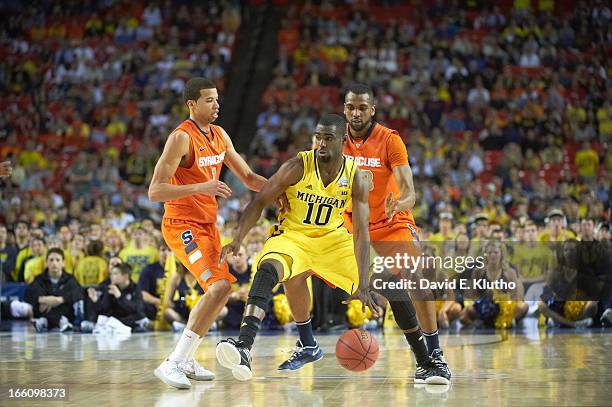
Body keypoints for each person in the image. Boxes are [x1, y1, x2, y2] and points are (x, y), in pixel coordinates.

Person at [216, 114, 446, 384]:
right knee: (267, 270)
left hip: (333, 240)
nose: (321, 143)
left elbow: (361, 232)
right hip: (293, 236)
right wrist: (238, 238)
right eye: (318, 137)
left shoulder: (356, 176)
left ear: (342, 141)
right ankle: (244, 347)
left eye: (328, 138)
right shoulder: (297, 166)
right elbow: (259, 201)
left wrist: (361, 282)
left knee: (390, 284)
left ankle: (425, 362)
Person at [148, 77, 267, 389]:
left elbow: (250, 177)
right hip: (182, 225)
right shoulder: (180, 138)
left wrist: (286, 191)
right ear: (192, 104)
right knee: (216, 288)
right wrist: (203, 186)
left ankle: (186, 358)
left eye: (217, 99)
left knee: (224, 288)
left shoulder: (219, 135)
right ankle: (173, 362)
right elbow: (155, 191)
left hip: (207, 225)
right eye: (209, 101)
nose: (217, 105)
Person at [340, 84, 450, 381]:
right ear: (345, 109)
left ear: (372, 110)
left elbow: (411, 193)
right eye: (352, 107)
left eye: (363, 107)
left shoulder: (390, 140)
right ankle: (302, 339)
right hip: (352, 224)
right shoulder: (333, 141)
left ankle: (435, 354)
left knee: (417, 280)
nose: (357, 112)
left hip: (391, 223)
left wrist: (398, 203)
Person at [25, 248, 83, 332]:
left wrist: (61, 299)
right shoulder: (39, 279)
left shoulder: (70, 279)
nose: (54, 263)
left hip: (65, 313)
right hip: (44, 313)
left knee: (70, 302)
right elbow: (30, 293)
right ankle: (50, 321)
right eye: (51, 260)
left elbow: (78, 293)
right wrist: (42, 299)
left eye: (57, 260)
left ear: (63, 263)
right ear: (46, 263)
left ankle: (54, 322)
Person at [88, 263, 150, 331]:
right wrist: (95, 301)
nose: (111, 276)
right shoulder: (111, 288)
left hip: (128, 319)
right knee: (104, 318)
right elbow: (104, 310)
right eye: (111, 274)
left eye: (115, 274)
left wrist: (120, 297)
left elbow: (137, 309)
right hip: (115, 319)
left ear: (125, 276)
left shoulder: (135, 288)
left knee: (140, 318)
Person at [138, 243, 171, 320]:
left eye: (169, 250)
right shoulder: (148, 269)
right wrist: (158, 302)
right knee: (143, 305)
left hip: (173, 305)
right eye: (163, 250)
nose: (166, 253)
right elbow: (142, 293)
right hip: (154, 305)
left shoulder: (179, 269)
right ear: (158, 252)